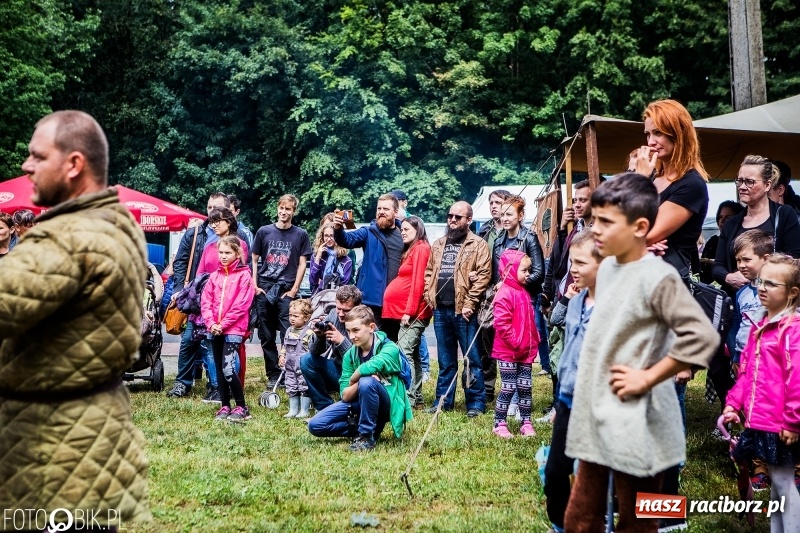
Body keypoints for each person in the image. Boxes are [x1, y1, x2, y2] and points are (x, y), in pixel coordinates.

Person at [0, 110, 150, 530]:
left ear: (73, 164)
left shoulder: (70, 237)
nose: (26, 166)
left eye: (37, 156)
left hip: (58, 447)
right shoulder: (115, 221)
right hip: (90, 430)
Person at [563, 174, 718, 532]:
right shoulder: (610, 268)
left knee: (637, 521)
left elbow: (702, 336)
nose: (595, 229)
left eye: (605, 222)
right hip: (600, 412)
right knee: (580, 519)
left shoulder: (658, 277)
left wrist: (648, 376)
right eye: (595, 219)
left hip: (640, 418)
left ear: (640, 227)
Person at [723, 255, 800, 532]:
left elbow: (797, 381)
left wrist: (792, 421)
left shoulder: (792, 330)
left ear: (792, 293)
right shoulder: (759, 326)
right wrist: (733, 403)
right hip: (763, 421)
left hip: (782, 424)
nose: (762, 288)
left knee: (783, 484)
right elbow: (747, 374)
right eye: (760, 281)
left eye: (771, 283)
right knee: (778, 487)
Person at [544, 229, 601, 533]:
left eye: (580, 263)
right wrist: (559, 400)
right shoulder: (577, 301)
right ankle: (559, 522)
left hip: (597, 404)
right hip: (568, 400)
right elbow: (567, 354)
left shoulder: (613, 307)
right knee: (555, 471)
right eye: (571, 264)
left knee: (592, 477)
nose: (573, 270)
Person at [307, 305, 413, 451]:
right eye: (349, 331)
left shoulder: (389, 347)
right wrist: (355, 383)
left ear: (371, 327)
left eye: (356, 330)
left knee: (367, 382)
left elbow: (374, 364)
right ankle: (363, 428)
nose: (351, 336)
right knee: (315, 425)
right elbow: (345, 395)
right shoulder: (350, 355)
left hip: (387, 403)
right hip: (359, 401)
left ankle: (367, 436)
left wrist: (355, 377)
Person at [424, 201, 491, 417]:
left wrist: (470, 303)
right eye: (450, 215)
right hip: (441, 311)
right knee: (445, 360)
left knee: (472, 359)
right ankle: (443, 401)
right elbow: (429, 273)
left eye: (458, 217)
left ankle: (476, 403)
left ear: (468, 220)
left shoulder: (478, 244)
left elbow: (483, 276)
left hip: (464, 311)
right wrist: (428, 294)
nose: (452, 220)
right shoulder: (438, 243)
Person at [631, 99, 710, 277]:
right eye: (648, 134)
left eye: (658, 133)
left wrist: (639, 180)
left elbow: (642, 235)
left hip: (666, 281)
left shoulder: (691, 184)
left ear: (678, 133)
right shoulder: (651, 177)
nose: (651, 141)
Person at [166, 191, 233, 398]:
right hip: (197, 297)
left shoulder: (234, 239)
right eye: (209, 207)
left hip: (221, 299)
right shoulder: (196, 233)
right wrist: (179, 290)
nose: (211, 212)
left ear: (227, 212)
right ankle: (182, 383)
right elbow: (180, 262)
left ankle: (216, 385)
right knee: (188, 340)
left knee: (212, 343)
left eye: (216, 208)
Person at [713, 155, 800, 297]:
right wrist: (729, 277)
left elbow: (794, 258)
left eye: (749, 182)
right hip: (738, 304)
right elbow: (717, 266)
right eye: (739, 181)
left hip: (773, 302)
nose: (742, 187)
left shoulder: (783, 214)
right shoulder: (731, 224)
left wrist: (759, 277)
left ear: (767, 185)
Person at [252, 194, 312, 388]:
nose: (284, 212)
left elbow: (303, 264)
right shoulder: (264, 231)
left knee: (290, 333)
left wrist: (294, 289)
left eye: (288, 209)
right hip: (265, 288)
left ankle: (290, 373)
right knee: (266, 335)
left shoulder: (300, 234)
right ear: (277, 208)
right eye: (282, 208)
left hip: (286, 290)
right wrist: (255, 286)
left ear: (294, 211)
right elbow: (253, 259)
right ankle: (272, 374)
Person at [201, 235, 254, 423]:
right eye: (221, 252)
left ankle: (242, 406)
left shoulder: (244, 276)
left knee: (228, 368)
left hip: (233, 330)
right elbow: (205, 301)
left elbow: (242, 305)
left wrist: (222, 324)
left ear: (237, 253)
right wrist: (211, 323)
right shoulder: (214, 276)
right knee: (218, 368)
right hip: (214, 328)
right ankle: (225, 405)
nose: (223, 256)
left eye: (228, 253)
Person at [333, 194, 403, 336]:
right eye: (379, 208)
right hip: (372, 302)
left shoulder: (404, 234)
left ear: (396, 212)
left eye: (386, 209)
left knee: (392, 345)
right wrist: (338, 229)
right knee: (369, 343)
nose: (381, 211)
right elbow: (347, 240)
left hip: (396, 302)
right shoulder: (368, 232)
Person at [381, 216, 432, 408]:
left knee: (405, 353)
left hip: (414, 313)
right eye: (401, 229)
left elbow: (418, 283)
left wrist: (408, 311)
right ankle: (416, 397)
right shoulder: (412, 249)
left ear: (417, 230)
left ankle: (409, 397)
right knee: (414, 355)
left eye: (406, 229)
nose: (402, 232)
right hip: (406, 311)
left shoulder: (421, 248)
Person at [490, 249, 539, 438]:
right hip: (508, 350)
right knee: (509, 386)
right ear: (511, 270)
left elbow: (529, 322)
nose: (528, 274)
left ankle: (526, 421)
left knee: (525, 386)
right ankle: (499, 422)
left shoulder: (524, 293)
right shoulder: (505, 294)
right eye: (524, 270)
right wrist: (516, 342)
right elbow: (501, 324)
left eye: (529, 270)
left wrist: (533, 342)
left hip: (525, 350)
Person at [299, 285, 362, 411]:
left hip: (358, 377)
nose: (341, 314)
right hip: (338, 371)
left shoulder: (365, 322)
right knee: (306, 360)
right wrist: (319, 337)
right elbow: (315, 351)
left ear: (358, 307)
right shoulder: (333, 315)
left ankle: (347, 406)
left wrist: (342, 342)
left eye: (346, 310)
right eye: (339, 308)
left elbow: (362, 363)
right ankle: (324, 408)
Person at [476, 189, 511, 402]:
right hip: (486, 290)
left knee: (507, 340)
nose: (494, 206)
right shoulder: (485, 230)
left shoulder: (517, 231)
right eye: (491, 202)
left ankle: (512, 388)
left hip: (509, 290)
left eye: (498, 202)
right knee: (486, 340)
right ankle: (487, 388)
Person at [542, 180, 592, 308]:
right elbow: (558, 264)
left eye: (583, 200)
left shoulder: (599, 231)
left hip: (583, 296)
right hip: (563, 294)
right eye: (575, 200)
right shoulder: (574, 229)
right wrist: (563, 229)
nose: (577, 205)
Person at [280, 299, 314, 419]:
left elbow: (312, 350)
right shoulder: (289, 330)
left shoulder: (309, 333)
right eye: (290, 315)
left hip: (302, 366)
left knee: (303, 385)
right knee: (291, 385)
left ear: (306, 318)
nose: (292, 318)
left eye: (296, 316)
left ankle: (304, 410)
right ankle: (293, 409)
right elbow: (285, 345)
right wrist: (282, 356)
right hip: (289, 365)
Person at [700, 201, 745, 284]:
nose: (722, 221)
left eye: (728, 217)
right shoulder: (713, 242)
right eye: (720, 217)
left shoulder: (743, 243)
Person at [309, 222, 353, 293]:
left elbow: (344, 285)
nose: (329, 239)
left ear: (337, 237)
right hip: (319, 297)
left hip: (337, 298)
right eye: (326, 236)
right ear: (322, 237)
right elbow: (313, 282)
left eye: (332, 236)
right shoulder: (315, 256)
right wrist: (318, 258)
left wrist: (322, 282)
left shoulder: (346, 261)